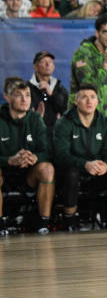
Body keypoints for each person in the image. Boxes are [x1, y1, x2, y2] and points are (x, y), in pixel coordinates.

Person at [53, 84, 107, 230]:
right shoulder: (64, 122)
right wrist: (85, 164)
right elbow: (61, 155)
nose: (89, 101)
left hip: (99, 172)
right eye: (84, 97)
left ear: (97, 102)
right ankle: (70, 220)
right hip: (75, 172)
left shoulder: (105, 122)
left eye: (92, 97)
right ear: (76, 101)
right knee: (71, 173)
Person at [0, 78, 55, 234]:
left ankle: (44, 223)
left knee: (47, 169)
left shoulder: (35, 119)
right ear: (7, 97)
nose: (25, 99)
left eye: (28, 95)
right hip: (4, 172)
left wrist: (35, 157)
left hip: (28, 174)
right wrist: (9, 160)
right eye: (18, 95)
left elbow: (47, 150)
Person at [70, 14, 107, 123]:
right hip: (85, 119)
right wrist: (106, 64)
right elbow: (89, 88)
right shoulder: (83, 54)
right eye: (105, 32)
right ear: (97, 33)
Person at [27, 51, 69, 132]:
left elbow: (65, 109)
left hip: (55, 133)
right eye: (43, 62)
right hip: (34, 131)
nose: (48, 64)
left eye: (50, 62)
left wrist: (51, 94)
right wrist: (36, 117)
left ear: (53, 66)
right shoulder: (27, 88)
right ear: (35, 67)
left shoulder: (59, 87)